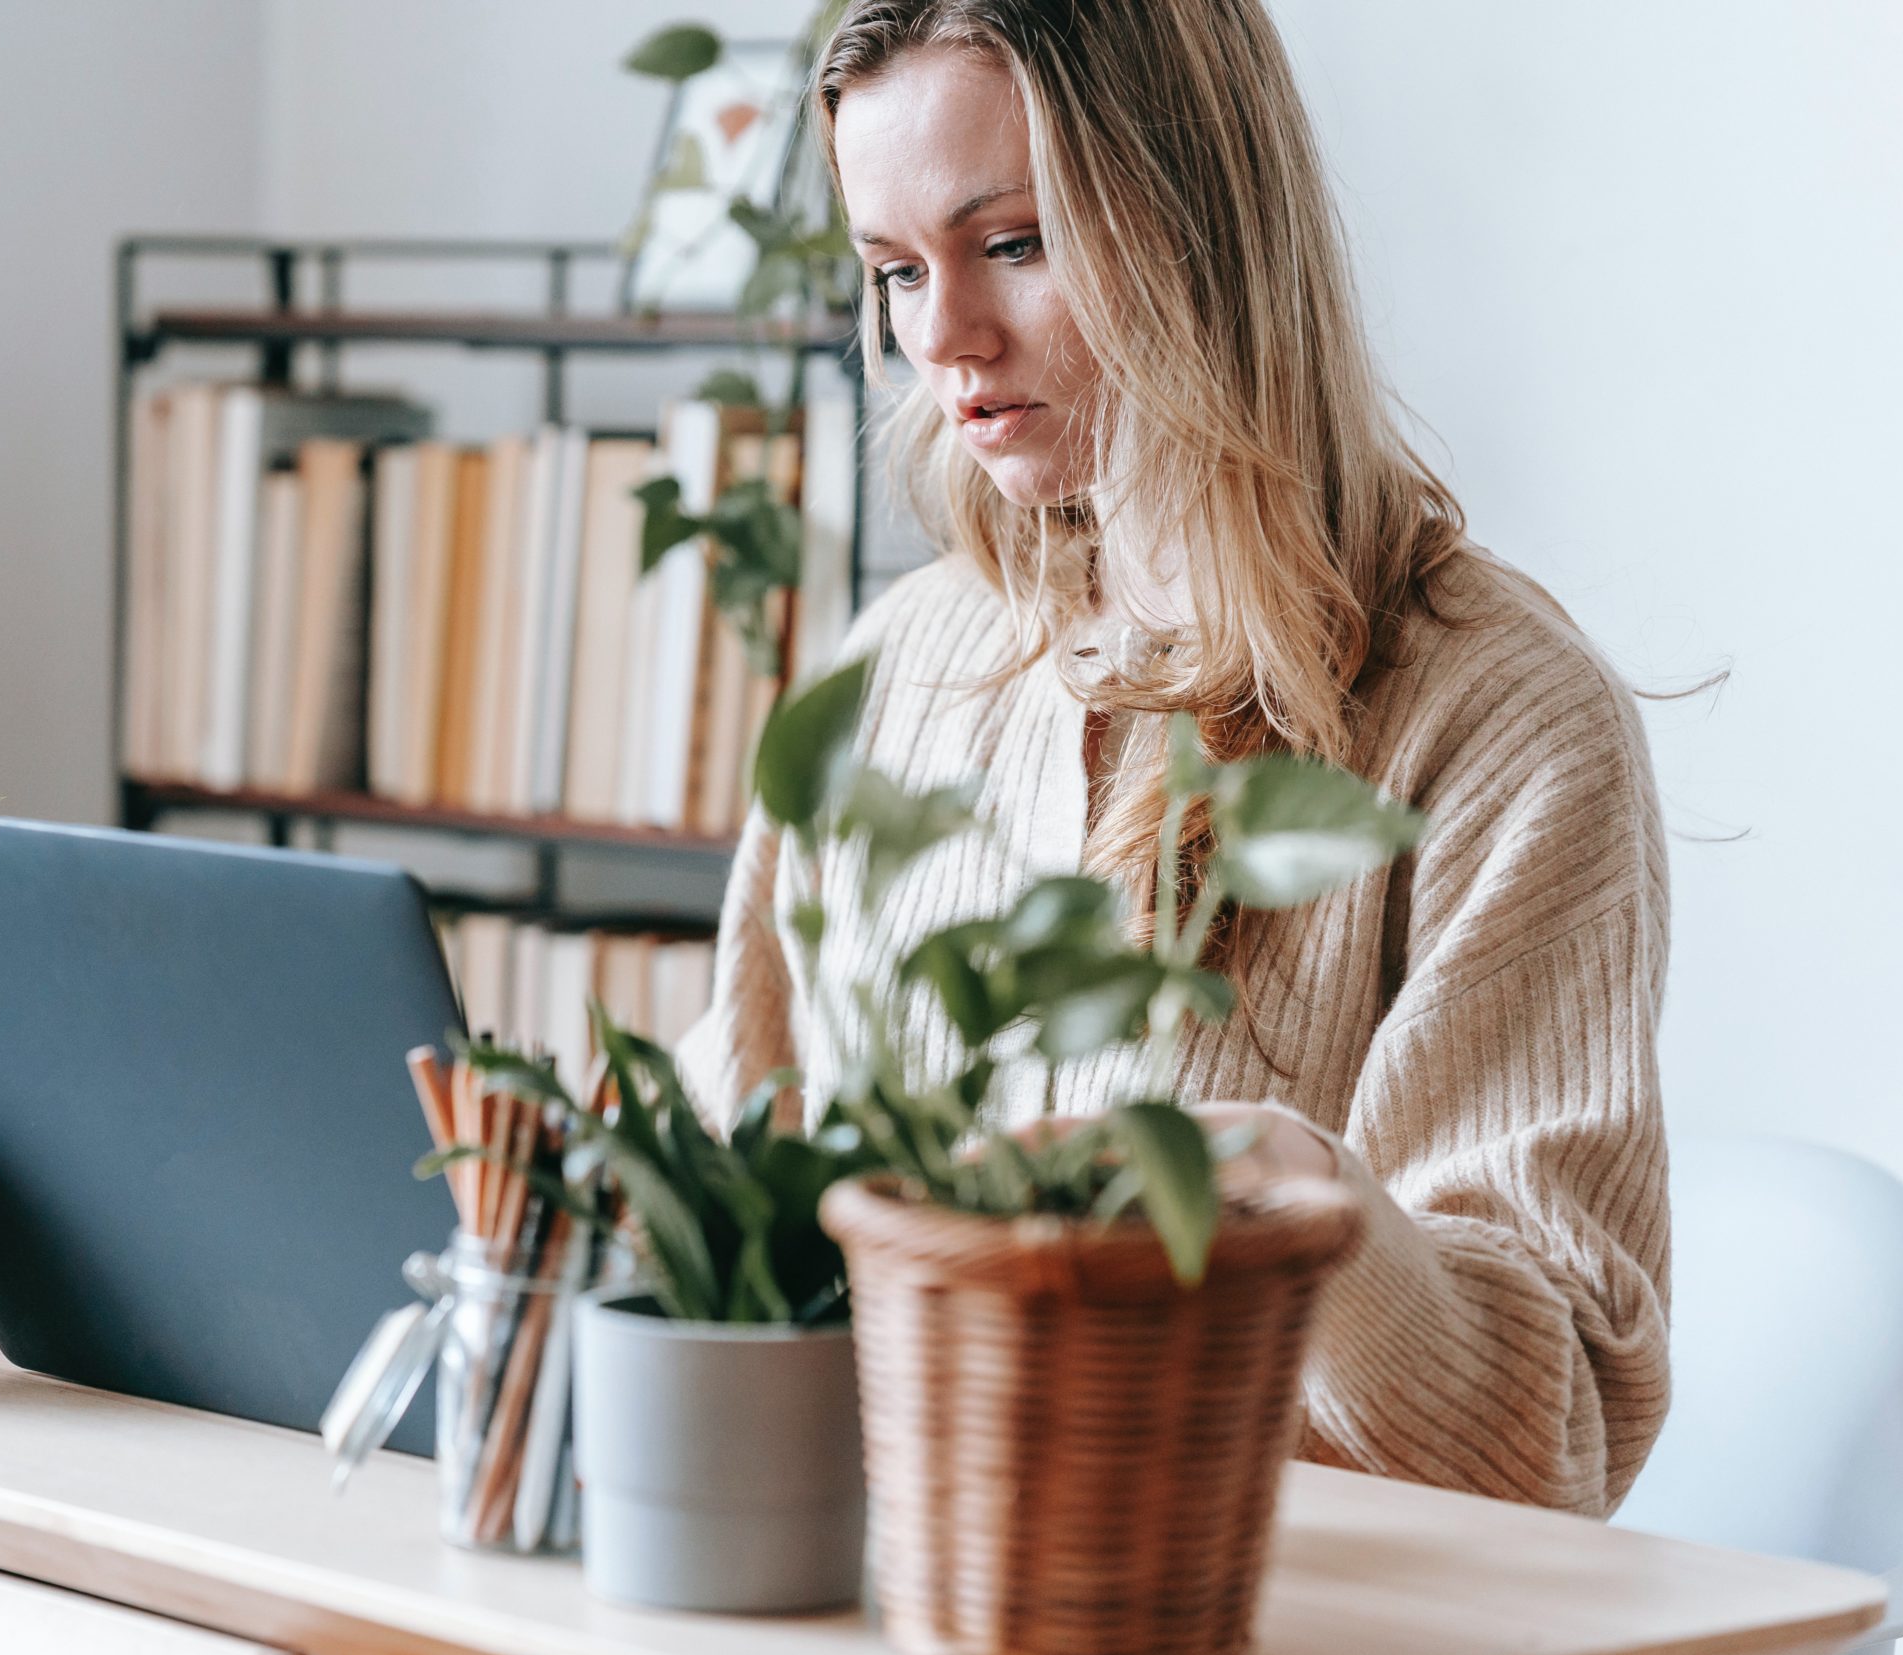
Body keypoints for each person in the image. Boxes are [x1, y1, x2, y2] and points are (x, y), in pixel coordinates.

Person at [675, 0, 1669, 1518]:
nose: (938, 339)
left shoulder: (1501, 727)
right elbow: (738, 1172)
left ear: (1199, 218)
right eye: (893, 273)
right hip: (885, 1598)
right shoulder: (897, 667)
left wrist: (1309, 1207)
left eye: (1013, 243)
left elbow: (1556, 1437)